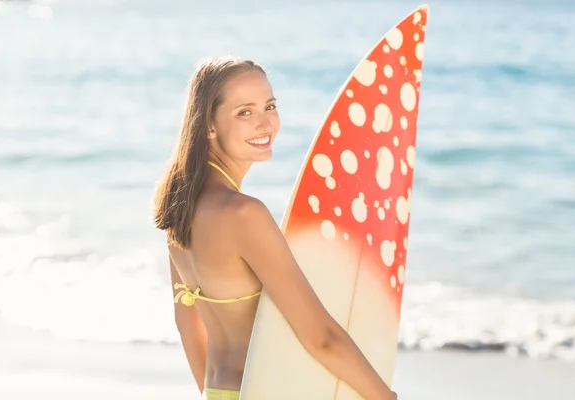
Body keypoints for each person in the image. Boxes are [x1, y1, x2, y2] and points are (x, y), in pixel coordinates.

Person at [152, 56, 398, 400]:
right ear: (209, 125)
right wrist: (385, 397)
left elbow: (187, 325)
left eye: (270, 106)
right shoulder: (244, 214)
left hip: (219, 390)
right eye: (245, 112)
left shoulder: (177, 207)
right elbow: (320, 337)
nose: (266, 123)